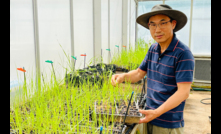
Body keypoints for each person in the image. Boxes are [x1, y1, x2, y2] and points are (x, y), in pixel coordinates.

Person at [111, 4, 194, 134]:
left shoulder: (183, 53)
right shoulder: (153, 49)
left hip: (168, 124)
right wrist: (123, 76)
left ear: (173, 24)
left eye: (162, 23)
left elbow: (184, 92)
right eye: (152, 25)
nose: (157, 30)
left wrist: (156, 112)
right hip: (149, 116)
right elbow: (139, 73)